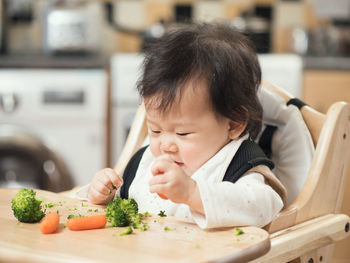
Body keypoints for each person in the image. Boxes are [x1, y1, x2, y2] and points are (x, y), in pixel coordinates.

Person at [84, 22, 287, 229]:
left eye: (182, 133)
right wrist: (103, 194)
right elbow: (124, 201)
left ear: (233, 124)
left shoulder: (239, 166)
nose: (165, 145)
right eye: (155, 130)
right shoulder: (145, 163)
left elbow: (263, 206)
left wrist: (192, 193)